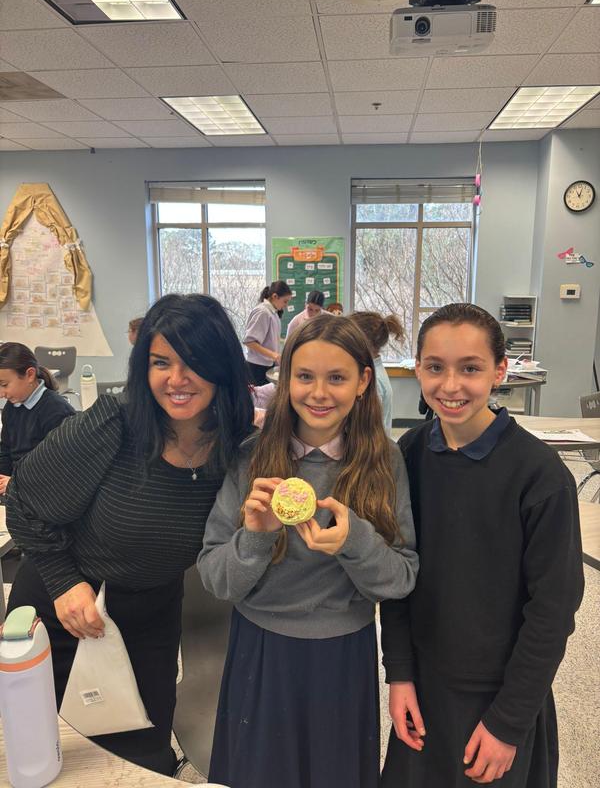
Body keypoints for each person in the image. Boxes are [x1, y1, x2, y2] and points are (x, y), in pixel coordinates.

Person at [6, 293, 254, 776]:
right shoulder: (112, 424)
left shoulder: (236, 443)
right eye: (161, 362)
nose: (176, 380)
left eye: (193, 363)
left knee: (144, 752)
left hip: (150, 612)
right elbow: (24, 503)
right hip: (67, 606)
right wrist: (63, 583)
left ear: (222, 367)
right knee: (49, 755)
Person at [199, 313, 419, 788]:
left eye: (336, 377)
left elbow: (402, 578)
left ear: (363, 382)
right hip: (260, 651)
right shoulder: (252, 457)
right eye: (304, 376)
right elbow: (216, 578)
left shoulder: (385, 461)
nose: (319, 393)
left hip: (343, 654)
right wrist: (256, 534)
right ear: (285, 379)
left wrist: (354, 541)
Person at [380, 303, 584, 788]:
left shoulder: (539, 476)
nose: (451, 386)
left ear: (499, 372)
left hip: (499, 696)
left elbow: (553, 609)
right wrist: (400, 674)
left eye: (470, 368)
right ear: (418, 370)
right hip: (425, 690)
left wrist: (508, 722)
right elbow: (394, 574)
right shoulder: (407, 455)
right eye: (435, 367)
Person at [0, 342, 75, 495]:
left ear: (30, 375)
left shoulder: (57, 411)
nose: (1, 393)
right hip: (17, 490)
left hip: (44, 495)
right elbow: (6, 450)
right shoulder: (11, 407)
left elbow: (57, 469)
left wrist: (15, 485)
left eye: (4, 385)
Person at [350, 311, 404, 436]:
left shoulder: (373, 379)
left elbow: (367, 426)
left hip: (370, 448)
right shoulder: (371, 370)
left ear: (362, 342)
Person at [243, 280, 292, 386]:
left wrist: (276, 358)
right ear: (275, 296)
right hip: (256, 367)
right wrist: (274, 355)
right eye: (285, 301)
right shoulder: (263, 312)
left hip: (266, 365)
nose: (286, 306)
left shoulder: (273, 313)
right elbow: (249, 342)